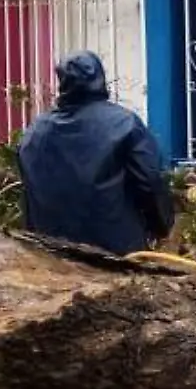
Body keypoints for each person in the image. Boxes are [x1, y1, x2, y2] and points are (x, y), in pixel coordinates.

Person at [19, 51, 173, 256]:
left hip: (49, 251)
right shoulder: (125, 124)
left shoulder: (35, 132)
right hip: (115, 251)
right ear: (100, 79)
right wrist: (161, 226)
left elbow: (28, 193)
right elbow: (150, 181)